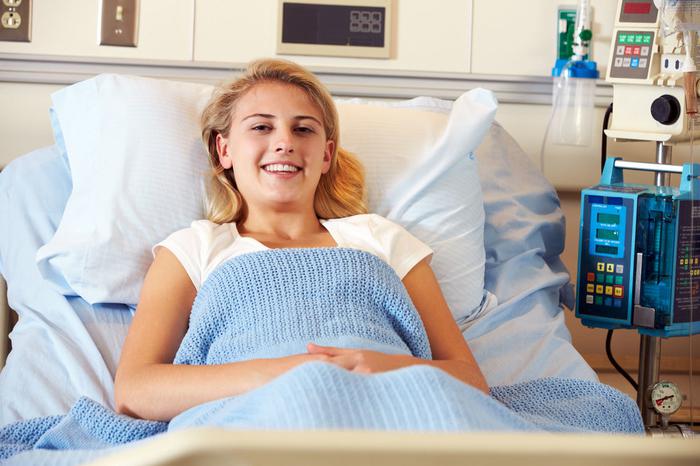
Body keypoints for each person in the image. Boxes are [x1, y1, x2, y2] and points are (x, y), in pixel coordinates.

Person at [114, 59, 488, 421]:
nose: (284, 142)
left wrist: (386, 367)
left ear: (326, 155)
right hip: (253, 421)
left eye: (304, 129)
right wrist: (283, 374)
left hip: (391, 411)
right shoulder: (194, 249)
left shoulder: (380, 238)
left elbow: (471, 381)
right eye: (261, 127)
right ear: (224, 149)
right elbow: (135, 390)